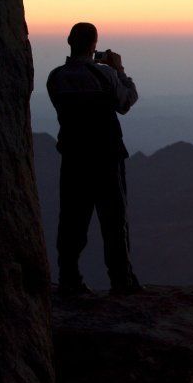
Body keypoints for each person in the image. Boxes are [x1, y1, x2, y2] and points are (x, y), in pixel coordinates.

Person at [46, 22, 142, 297]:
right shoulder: (104, 76)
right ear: (94, 45)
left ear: (68, 40)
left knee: (72, 220)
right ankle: (121, 281)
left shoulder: (56, 77)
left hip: (74, 158)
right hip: (106, 157)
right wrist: (119, 70)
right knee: (114, 221)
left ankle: (69, 279)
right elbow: (126, 102)